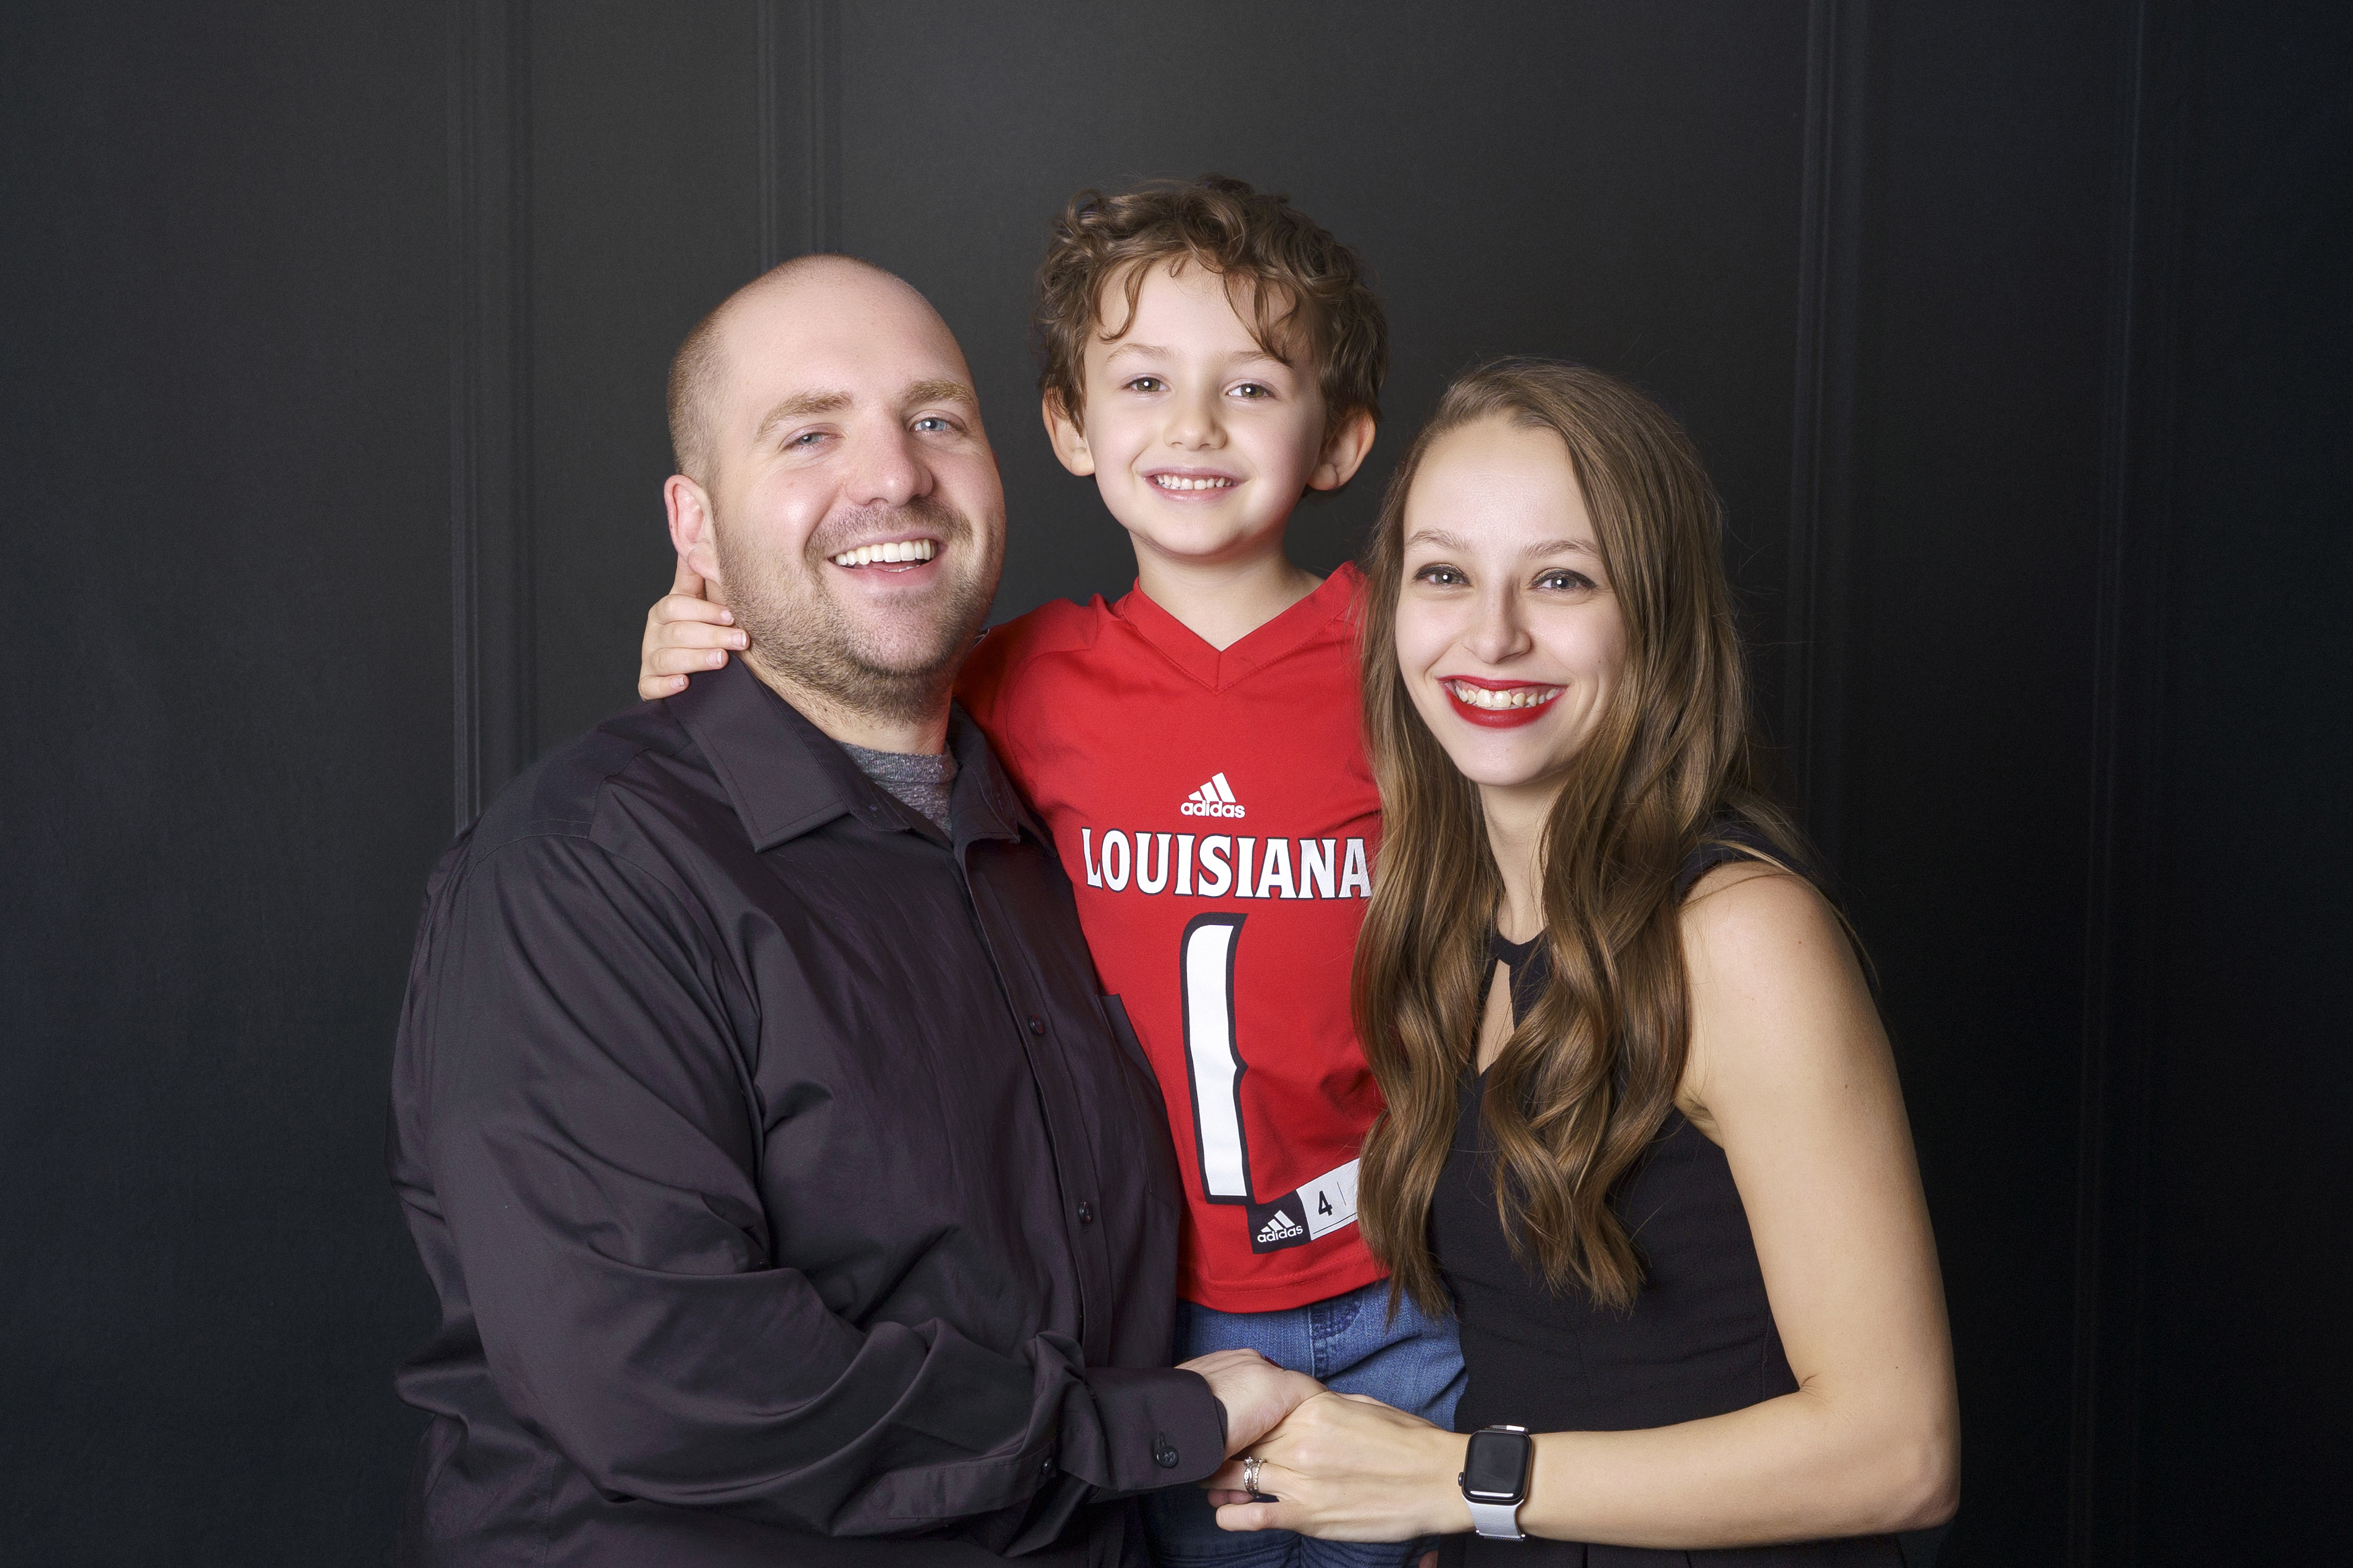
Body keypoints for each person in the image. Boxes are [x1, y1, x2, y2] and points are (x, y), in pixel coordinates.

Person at [387, 254, 1322, 1567]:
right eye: (809, 432)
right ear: (695, 526)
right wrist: (1136, 1431)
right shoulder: (585, 867)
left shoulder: (1039, 839)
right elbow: (658, 1372)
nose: (893, 475)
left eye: (936, 419)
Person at [639, 176, 1465, 1568]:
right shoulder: (1002, 677)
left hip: (1399, 1286)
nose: (1194, 428)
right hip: (1151, 1320)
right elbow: (816, 719)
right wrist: (687, 648)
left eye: (1252, 387)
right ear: (1070, 426)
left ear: (1340, 441)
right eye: (1143, 380)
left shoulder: (1407, 658)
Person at [1197, 360, 1961, 1562]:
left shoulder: (1735, 937)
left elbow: (1898, 1450)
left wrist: (1454, 1477)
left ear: (1652, 616)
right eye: (1445, 574)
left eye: (1561, 578)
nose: (1492, 633)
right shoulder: (1443, 925)